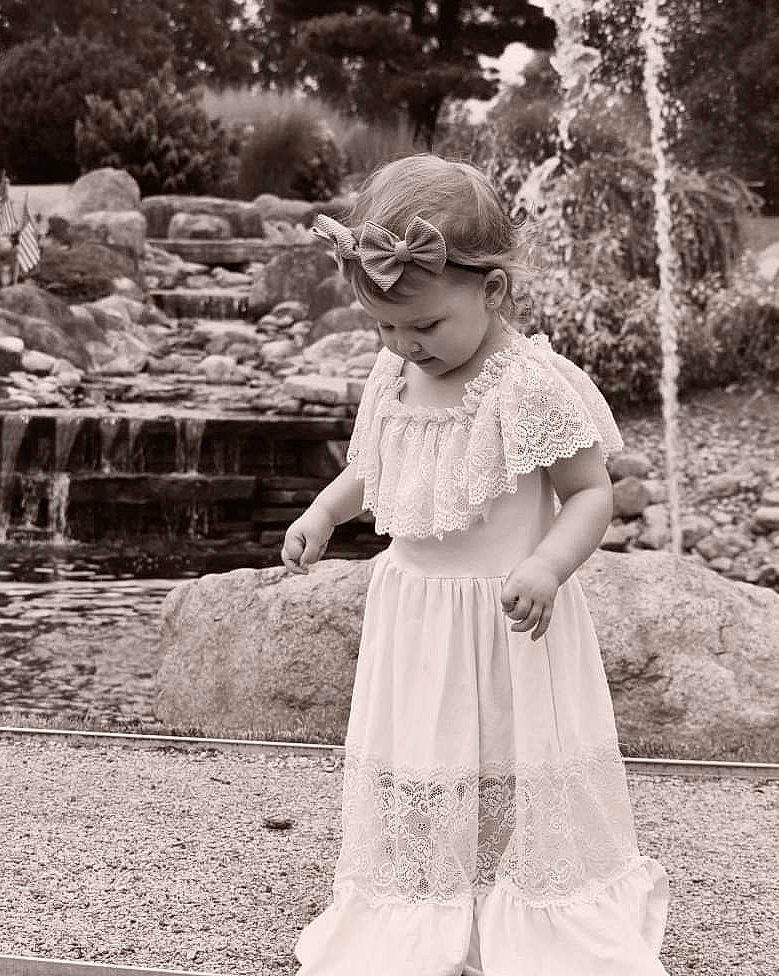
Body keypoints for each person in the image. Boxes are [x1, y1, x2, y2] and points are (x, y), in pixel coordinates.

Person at [280, 154, 671, 976]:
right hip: (416, 616)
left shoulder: (528, 384)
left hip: (506, 618)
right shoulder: (394, 373)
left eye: (424, 327)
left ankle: (518, 903)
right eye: (385, 328)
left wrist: (550, 565)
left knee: (509, 758)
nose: (404, 346)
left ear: (490, 292)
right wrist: (324, 512)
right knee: (428, 757)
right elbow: (374, 465)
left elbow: (590, 492)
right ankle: (430, 896)